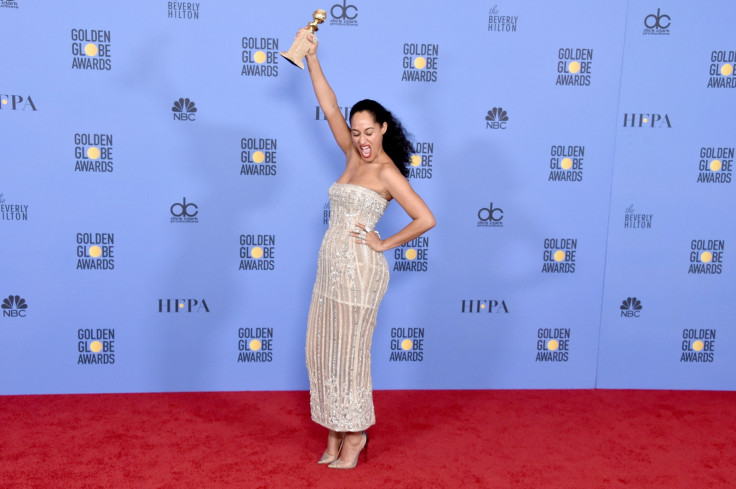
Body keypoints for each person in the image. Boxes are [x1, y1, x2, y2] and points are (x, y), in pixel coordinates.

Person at [301, 28, 436, 469]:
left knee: (350, 353)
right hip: (329, 266)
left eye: (368, 131)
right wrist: (312, 57)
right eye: (355, 131)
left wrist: (384, 243)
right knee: (323, 349)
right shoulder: (351, 156)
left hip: (361, 269)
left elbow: (426, 218)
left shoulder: (386, 172)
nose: (360, 139)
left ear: (383, 130)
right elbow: (327, 104)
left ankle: (355, 434)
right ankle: (334, 431)